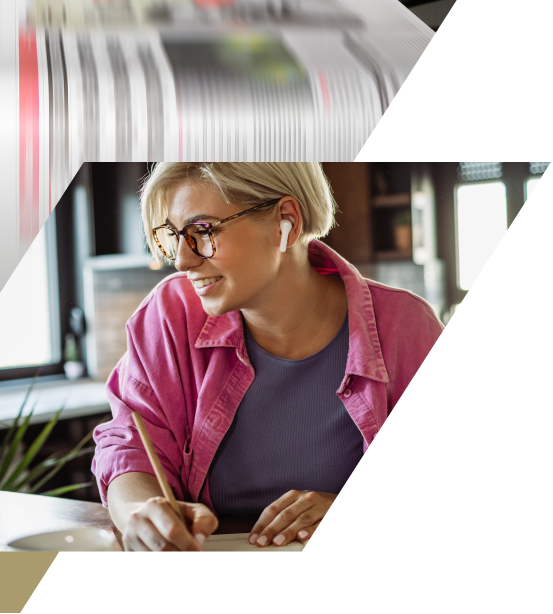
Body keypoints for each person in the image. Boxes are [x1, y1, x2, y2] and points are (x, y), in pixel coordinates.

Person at [91, 163, 443, 552]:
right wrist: (141, 512)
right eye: (173, 237)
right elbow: (130, 446)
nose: (182, 261)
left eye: (203, 232)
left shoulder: (406, 327)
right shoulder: (169, 315)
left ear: (285, 221)